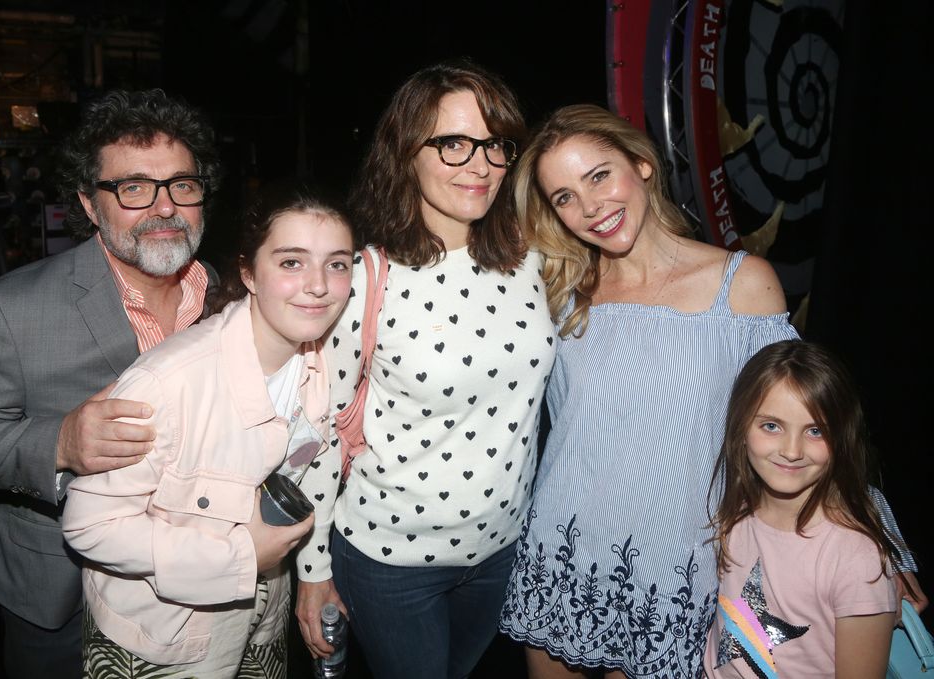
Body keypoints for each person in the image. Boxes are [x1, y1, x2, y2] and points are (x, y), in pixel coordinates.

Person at [0, 89, 220, 679]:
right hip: (64, 596)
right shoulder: (10, 307)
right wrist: (59, 445)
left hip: (205, 582)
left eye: (182, 184)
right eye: (132, 188)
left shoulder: (234, 297)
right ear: (88, 203)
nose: (164, 207)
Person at [498, 104, 800, 679]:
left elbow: (805, 417)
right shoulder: (561, 291)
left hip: (671, 564)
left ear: (642, 165)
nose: (590, 208)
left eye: (599, 176)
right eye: (564, 197)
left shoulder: (742, 285)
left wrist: (866, 527)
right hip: (562, 556)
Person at [294, 60, 556, 679]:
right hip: (390, 559)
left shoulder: (534, 259)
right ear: (406, 152)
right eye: (454, 143)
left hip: (503, 549)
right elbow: (319, 431)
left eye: (495, 144)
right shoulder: (361, 275)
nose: (481, 164)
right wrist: (313, 571)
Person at [62, 183, 354, 678]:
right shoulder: (168, 383)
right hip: (162, 640)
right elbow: (89, 526)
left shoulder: (322, 370)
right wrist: (238, 557)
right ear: (248, 273)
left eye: (338, 263)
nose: (319, 285)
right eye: (291, 262)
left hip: (263, 622)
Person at [704, 340, 902, 678]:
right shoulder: (729, 512)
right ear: (741, 428)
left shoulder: (856, 559)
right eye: (771, 426)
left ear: (841, 438)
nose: (792, 451)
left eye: (815, 431)